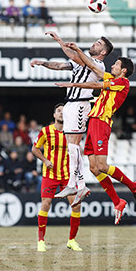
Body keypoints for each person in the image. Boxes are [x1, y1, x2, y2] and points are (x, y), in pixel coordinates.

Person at [55, 52, 136, 224]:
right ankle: (118, 202)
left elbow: (96, 84)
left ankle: (133, 186)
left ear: (123, 70)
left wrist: (73, 84)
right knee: (94, 168)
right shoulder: (113, 78)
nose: (112, 66)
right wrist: (79, 51)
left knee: (102, 165)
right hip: (93, 122)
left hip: (102, 123)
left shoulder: (123, 82)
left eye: (116, 64)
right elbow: (94, 67)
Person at [30, 30, 113, 202]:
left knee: (74, 145)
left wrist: (60, 41)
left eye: (98, 43)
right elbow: (61, 66)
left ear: (103, 52)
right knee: (72, 146)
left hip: (80, 104)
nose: (94, 44)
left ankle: (77, 185)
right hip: (70, 103)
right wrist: (42, 63)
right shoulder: (83, 61)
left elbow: (76, 57)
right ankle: (78, 185)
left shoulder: (98, 65)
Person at [32, 103, 83, 253]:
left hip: (67, 176)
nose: (61, 113)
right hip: (50, 175)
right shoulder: (45, 131)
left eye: (63, 111)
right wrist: (45, 160)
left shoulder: (71, 133)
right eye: (58, 111)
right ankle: (41, 241)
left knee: (77, 205)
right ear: (54, 115)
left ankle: (72, 241)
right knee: (46, 204)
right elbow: (34, 149)